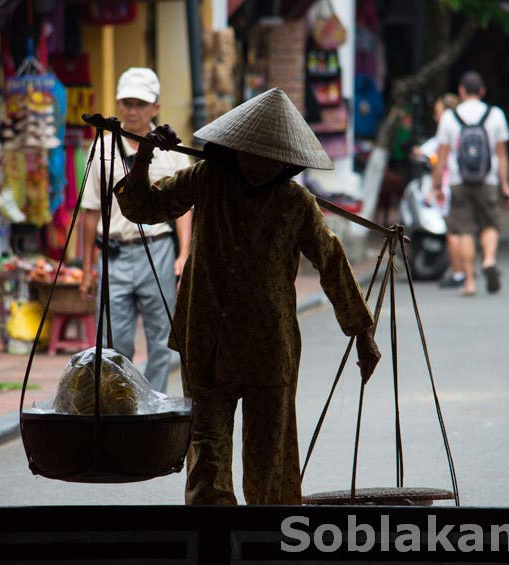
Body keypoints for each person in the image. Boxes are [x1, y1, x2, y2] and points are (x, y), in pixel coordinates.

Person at [115, 87, 382, 505]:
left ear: (285, 161)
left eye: (269, 158)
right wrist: (145, 155)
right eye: (252, 154)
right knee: (206, 454)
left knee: (269, 461)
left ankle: (268, 543)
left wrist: (361, 332)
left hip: (268, 349)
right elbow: (142, 208)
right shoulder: (208, 179)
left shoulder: (295, 202)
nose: (259, 165)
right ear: (235, 149)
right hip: (206, 339)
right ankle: (213, 545)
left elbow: (331, 261)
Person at [79, 68, 192, 394]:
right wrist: (86, 267)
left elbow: (184, 208)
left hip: (157, 250)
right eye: (127, 102)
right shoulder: (101, 148)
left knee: (161, 338)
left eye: (140, 104)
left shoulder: (171, 150)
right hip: (112, 253)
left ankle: (153, 403)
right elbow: (90, 211)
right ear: (118, 103)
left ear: (155, 107)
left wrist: (183, 255)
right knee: (115, 340)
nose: (132, 110)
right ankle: (122, 402)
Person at [431, 71, 509, 296]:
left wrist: (437, 185)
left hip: (459, 182)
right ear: (482, 91)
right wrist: (505, 184)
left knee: (464, 230)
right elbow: (502, 154)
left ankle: (469, 281)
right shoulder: (495, 115)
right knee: (490, 225)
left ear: (461, 91)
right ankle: (488, 260)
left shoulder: (450, 117)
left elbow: (441, 156)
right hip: (487, 180)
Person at [412, 93, 464, 288]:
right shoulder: (463, 128)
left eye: (437, 112)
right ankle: (467, 270)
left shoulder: (446, 129)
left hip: (448, 187)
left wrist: (435, 188)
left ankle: (459, 273)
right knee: (465, 230)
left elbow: (435, 159)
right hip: (464, 185)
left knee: (453, 232)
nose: (435, 117)